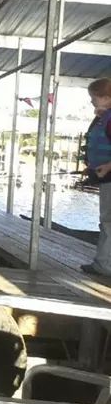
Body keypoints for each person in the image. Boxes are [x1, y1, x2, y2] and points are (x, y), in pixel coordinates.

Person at [80, 77, 111, 276]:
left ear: (107, 97)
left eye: (94, 98)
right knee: (106, 220)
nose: (92, 102)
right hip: (105, 176)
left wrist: (108, 166)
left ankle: (105, 265)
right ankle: (103, 262)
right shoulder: (104, 118)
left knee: (108, 221)